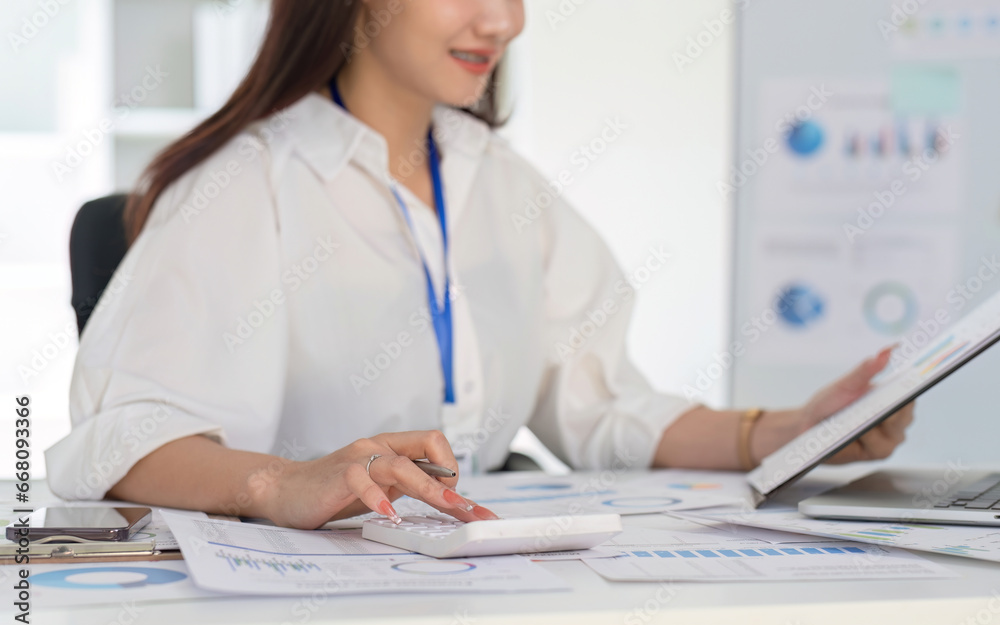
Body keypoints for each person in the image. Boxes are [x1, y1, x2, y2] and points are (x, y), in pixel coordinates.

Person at [46, 0, 914, 530]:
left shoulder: (499, 180)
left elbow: (601, 406)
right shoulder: (248, 182)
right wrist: (285, 482)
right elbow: (120, 442)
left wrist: (789, 429)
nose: (506, 21)